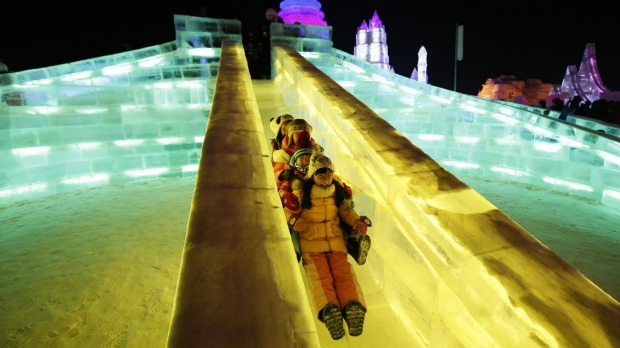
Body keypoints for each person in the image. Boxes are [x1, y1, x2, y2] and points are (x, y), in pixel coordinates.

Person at [283, 152, 371, 340]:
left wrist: (356, 222)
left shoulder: (337, 192)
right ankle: (328, 308)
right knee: (320, 276)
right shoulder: (302, 194)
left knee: (343, 272)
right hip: (311, 244)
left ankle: (352, 305)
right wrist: (293, 220)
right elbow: (286, 211)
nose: (326, 179)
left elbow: (347, 212)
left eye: (329, 174)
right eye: (321, 175)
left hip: (335, 240)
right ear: (313, 175)